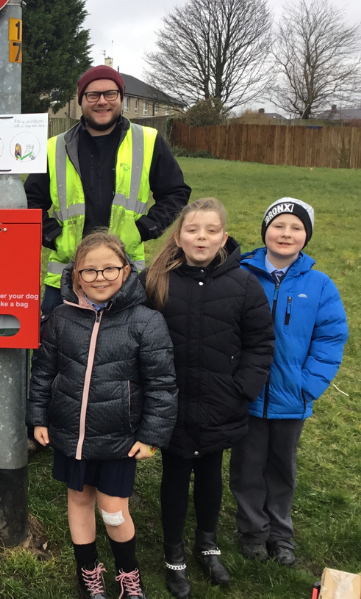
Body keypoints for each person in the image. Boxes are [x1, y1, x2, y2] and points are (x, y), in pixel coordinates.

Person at [27, 231, 177, 599]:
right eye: (89, 271)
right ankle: (89, 574)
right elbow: (43, 371)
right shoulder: (61, 317)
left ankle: (129, 576)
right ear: (76, 275)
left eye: (109, 268)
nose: (100, 278)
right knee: (79, 501)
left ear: (126, 271)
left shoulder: (146, 322)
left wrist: (151, 436)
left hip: (118, 438)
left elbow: (162, 385)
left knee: (112, 511)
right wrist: (38, 417)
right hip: (70, 434)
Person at [141, 198, 274, 598]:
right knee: (176, 476)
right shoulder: (155, 280)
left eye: (211, 231)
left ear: (224, 238)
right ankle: (174, 553)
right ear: (178, 237)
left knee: (211, 474)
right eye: (193, 230)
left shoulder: (245, 285)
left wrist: (242, 388)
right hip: (172, 402)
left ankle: (207, 542)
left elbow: (260, 342)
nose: (202, 237)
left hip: (221, 402)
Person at [229, 198, 348, 567]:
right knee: (247, 467)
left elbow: (331, 338)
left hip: (291, 398)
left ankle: (281, 535)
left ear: (306, 237)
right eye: (278, 225)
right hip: (246, 395)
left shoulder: (319, 284)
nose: (286, 234)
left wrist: (307, 384)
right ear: (265, 230)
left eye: (296, 228)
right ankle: (252, 532)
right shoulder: (241, 276)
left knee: (281, 469)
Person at [24, 65, 191, 316]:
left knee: (124, 350)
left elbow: (176, 191)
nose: (102, 101)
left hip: (123, 273)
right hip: (67, 277)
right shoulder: (53, 148)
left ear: (120, 98)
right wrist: (51, 235)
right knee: (54, 350)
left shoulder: (148, 141)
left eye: (110, 94)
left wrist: (145, 229)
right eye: (93, 95)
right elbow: (29, 200)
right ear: (81, 100)